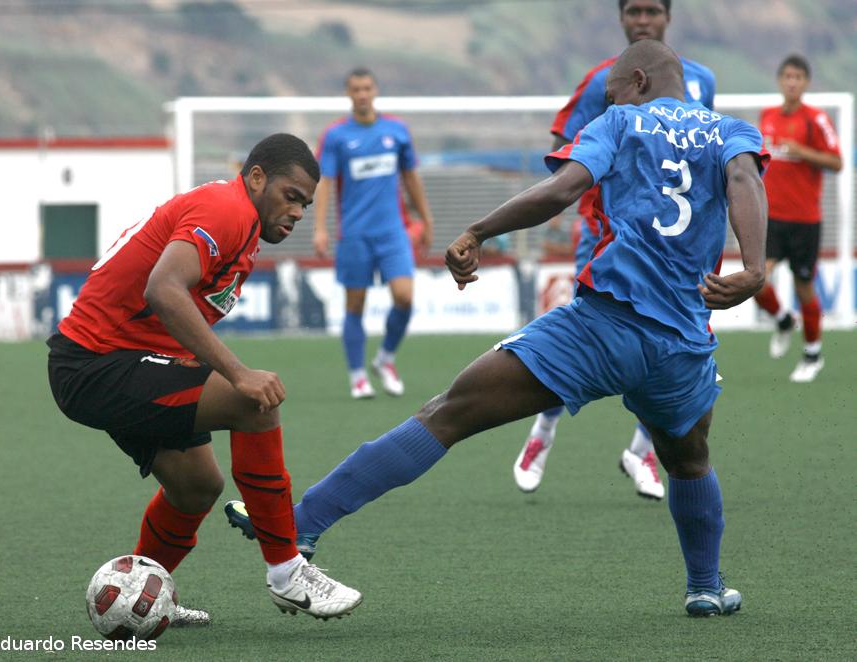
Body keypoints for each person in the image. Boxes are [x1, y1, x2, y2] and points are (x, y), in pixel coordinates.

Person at [228, 40, 769, 616]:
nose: (607, 100)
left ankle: (300, 525)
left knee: (448, 413)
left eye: (610, 91)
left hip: (603, 326)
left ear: (635, 81)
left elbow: (562, 190)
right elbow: (744, 181)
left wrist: (480, 231)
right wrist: (755, 268)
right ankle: (706, 588)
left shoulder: (621, 119)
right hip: (681, 341)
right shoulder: (730, 131)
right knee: (688, 460)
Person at [46, 134, 363, 623]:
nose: (298, 212)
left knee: (196, 485)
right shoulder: (227, 210)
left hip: (124, 362)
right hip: (95, 364)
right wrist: (237, 374)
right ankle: (287, 572)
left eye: (305, 204)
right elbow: (163, 288)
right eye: (291, 196)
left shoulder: (244, 230)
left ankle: (143, 597)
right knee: (255, 401)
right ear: (257, 177)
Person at [515, 0, 717, 499]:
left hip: (681, 248)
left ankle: (642, 450)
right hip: (611, 239)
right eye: (633, 11)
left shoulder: (702, 81)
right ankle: (542, 432)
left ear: (668, 17)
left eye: (651, 11)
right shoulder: (603, 80)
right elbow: (566, 146)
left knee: (675, 345)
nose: (642, 19)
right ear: (621, 19)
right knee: (580, 335)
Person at [313, 67, 434, 399]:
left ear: (375, 90)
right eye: (356, 89)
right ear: (348, 94)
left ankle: (385, 359)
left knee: (405, 297)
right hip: (354, 234)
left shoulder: (396, 130)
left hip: (393, 232)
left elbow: (411, 177)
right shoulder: (336, 136)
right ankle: (357, 376)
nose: (362, 94)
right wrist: (320, 228)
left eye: (367, 88)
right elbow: (325, 183)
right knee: (356, 305)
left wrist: (426, 219)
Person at [753, 54, 842, 383]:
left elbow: (837, 162)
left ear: (806, 83)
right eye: (787, 76)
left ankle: (812, 353)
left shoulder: (815, 120)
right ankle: (782, 320)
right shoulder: (767, 116)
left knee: (804, 286)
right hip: (772, 216)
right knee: (757, 279)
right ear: (779, 80)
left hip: (805, 219)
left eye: (798, 77)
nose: (792, 82)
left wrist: (801, 151)